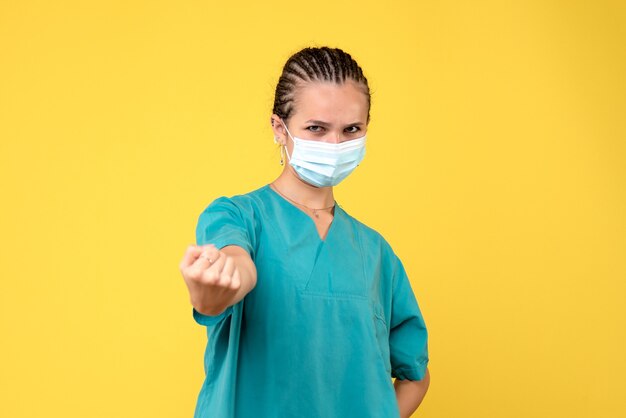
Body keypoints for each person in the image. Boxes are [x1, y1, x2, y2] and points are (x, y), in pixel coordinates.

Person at [179, 46, 430, 418]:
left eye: (351, 130)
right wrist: (222, 280)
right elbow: (234, 269)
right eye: (316, 128)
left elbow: (415, 374)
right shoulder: (239, 216)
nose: (334, 145)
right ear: (280, 129)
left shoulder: (376, 254)